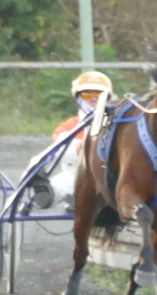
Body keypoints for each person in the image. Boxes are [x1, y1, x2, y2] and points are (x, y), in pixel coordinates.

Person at [27, 70, 113, 212]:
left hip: (108, 179)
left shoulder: (115, 124)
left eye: (98, 95)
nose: (93, 99)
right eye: (87, 94)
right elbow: (61, 144)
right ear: (78, 98)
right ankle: (46, 192)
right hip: (77, 177)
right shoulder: (69, 125)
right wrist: (84, 148)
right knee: (63, 182)